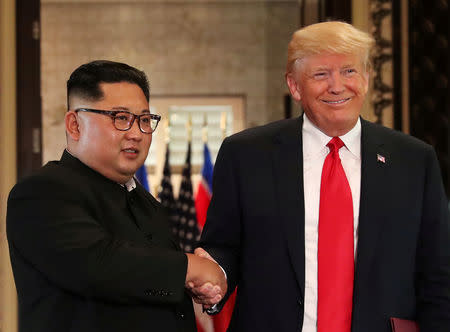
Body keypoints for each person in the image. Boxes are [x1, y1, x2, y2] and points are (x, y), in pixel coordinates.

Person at [190, 22, 450, 332]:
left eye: (349, 71)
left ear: (366, 79)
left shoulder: (414, 160)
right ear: (295, 86)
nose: (337, 86)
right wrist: (215, 277)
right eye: (321, 74)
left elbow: (438, 274)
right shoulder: (246, 155)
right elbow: (224, 246)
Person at [6, 60, 226, 332]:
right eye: (120, 118)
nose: (136, 133)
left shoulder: (148, 204)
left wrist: (200, 287)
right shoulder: (41, 192)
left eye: (145, 120)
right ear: (75, 125)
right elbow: (97, 266)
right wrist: (188, 267)